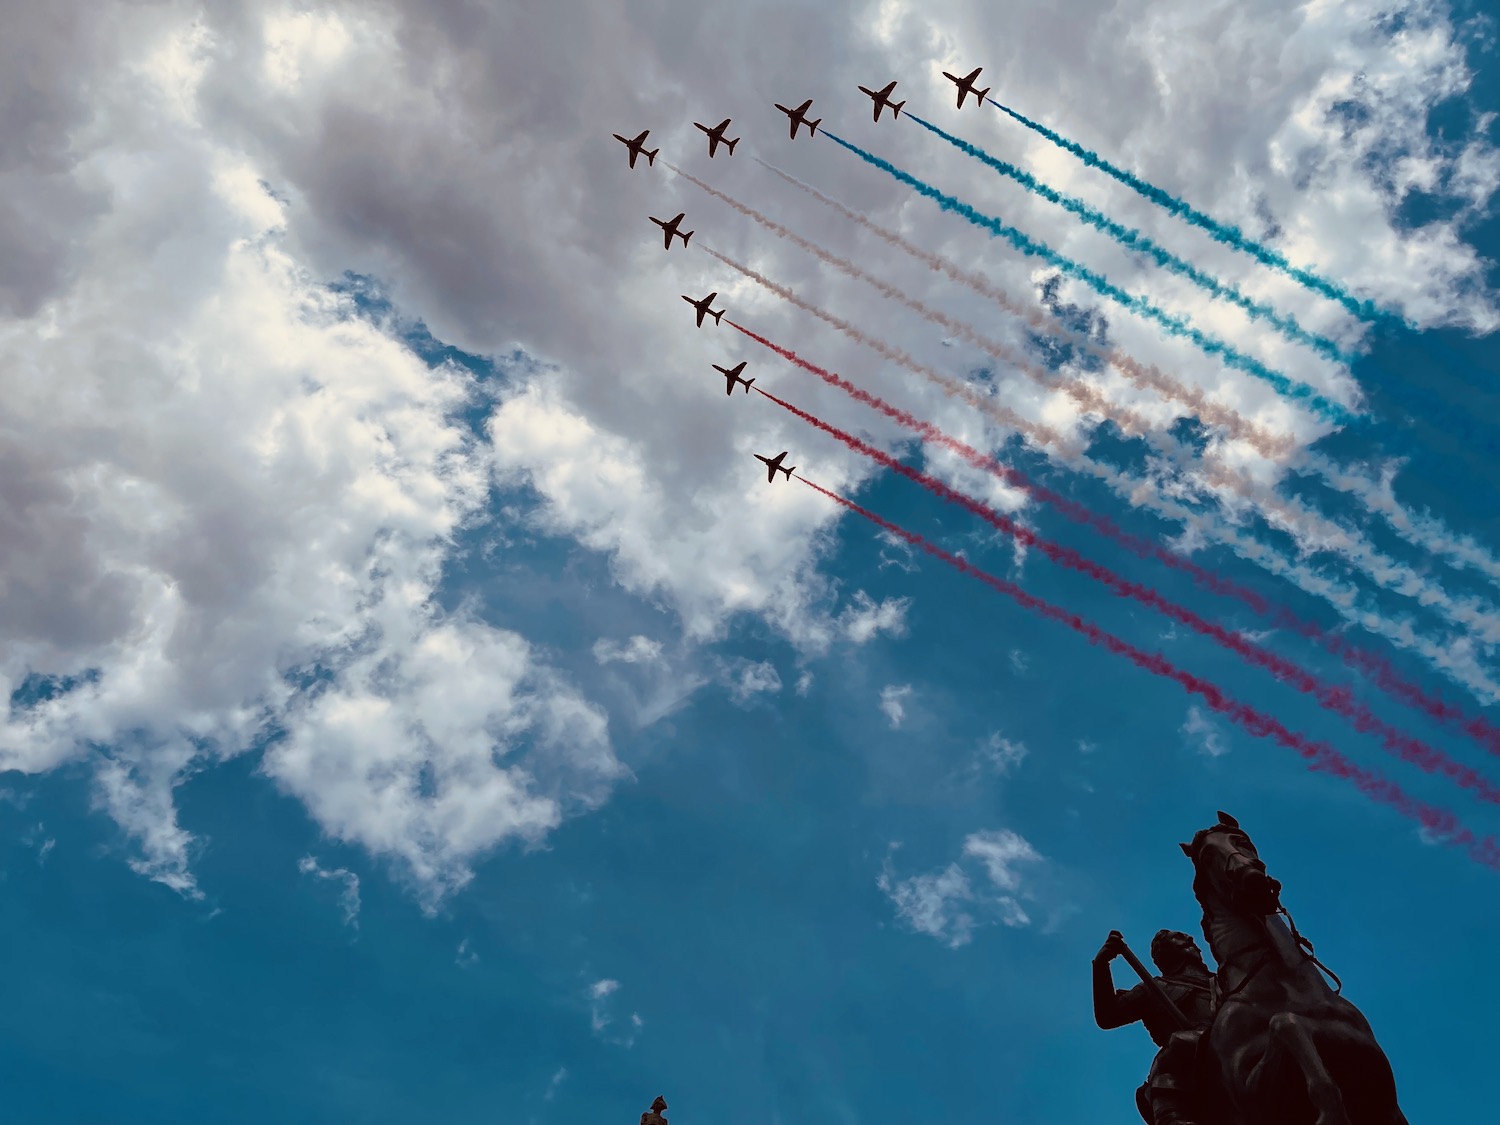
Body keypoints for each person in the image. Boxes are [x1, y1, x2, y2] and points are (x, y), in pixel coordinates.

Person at [1093, 929, 1216, 1125]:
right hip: (1188, 1057)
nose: (1189, 938)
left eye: (1186, 937)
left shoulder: (1225, 981)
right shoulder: (1155, 988)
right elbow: (1108, 1017)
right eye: (1179, 938)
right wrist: (1101, 965)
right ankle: (1170, 1116)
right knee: (1172, 1053)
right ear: (1166, 952)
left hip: (1238, 1043)